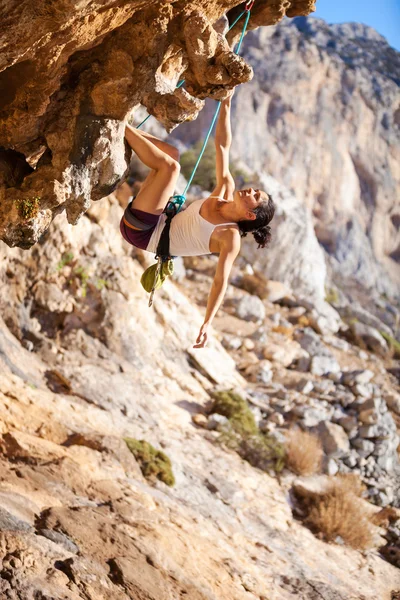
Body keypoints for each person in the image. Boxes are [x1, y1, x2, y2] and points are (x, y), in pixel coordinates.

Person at [119, 91, 275, 348]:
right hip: (154, 219)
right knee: (172, 153)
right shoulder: (225, 188)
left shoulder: (229, 237)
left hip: (144, 233)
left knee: (171, 168)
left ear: (250, 214)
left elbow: (220, 281)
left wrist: (207, 322)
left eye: (255, 196)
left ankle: (116, 125)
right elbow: (223, 145)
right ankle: (122, 128)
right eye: (254, 190)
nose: (250, 190)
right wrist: (226, 103)